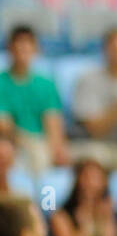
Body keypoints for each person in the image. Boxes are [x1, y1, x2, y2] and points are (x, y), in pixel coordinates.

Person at [69, 26, 117, 168]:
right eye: (116, 50)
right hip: (94, 145)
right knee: (96, 157)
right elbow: (95, 130)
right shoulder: (87, 79)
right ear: (105, 50)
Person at [0, 25, 68, 174]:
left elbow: (53, 122)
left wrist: (56, 150)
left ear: (35, 49)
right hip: (11, 144)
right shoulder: (1, 82)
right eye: (18, 43)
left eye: (27, 44)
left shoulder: (46, 84)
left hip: (40, 144)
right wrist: (27, 142)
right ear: (10, 48)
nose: (22, 48)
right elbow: (4, 125)